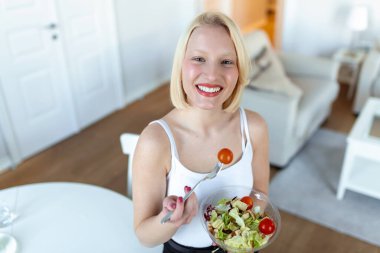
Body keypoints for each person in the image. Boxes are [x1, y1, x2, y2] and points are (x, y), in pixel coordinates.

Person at [132, 11, 270, 253]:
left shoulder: (254, 128)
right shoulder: (156, 141)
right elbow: (145, 236)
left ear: (238, 71)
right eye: (198, 58)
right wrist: (171, 221)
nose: (212, 75)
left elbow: (260, 194)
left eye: (226, 62)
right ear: (181, 65)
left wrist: (241, 223)